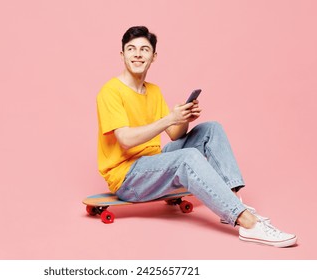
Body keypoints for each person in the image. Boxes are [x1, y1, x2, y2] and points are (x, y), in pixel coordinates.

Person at [96, 26, 297, 247]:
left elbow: (175, 134)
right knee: (188, 157)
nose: (137, 54)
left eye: (144, 49)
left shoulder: (153, 90)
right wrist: (169, 119)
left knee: (211, 129)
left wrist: (184, 117)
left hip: (152, 163)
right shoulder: (110, 91)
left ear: (153, 57)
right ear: (122, 54)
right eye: (131, 49)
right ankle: (249, 224)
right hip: (128, 178)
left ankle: (230, 201)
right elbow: (125, 139)